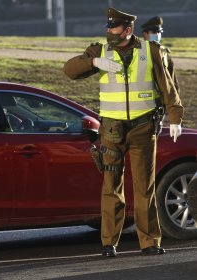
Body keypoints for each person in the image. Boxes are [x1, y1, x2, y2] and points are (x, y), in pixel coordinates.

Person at [63, 7, 183, 257]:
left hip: (143, 127)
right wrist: (93, 62)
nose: (108, 31)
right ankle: (109, 243)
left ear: (127, 30)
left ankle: (150, 242)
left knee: (144, 188)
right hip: (112, 130)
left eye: (113, 27)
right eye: (107, 27)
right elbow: (70, 70)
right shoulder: (100, 51)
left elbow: (167, 85)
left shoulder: (151, 52)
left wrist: (175, 117)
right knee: (111, 187)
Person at [141, 16, 180, 95]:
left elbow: (173, 82)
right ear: (145, 34)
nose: (157, 35)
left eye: (159, 32)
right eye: (154, 32)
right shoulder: (138, 53)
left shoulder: (165, 54)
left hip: (162, 99)